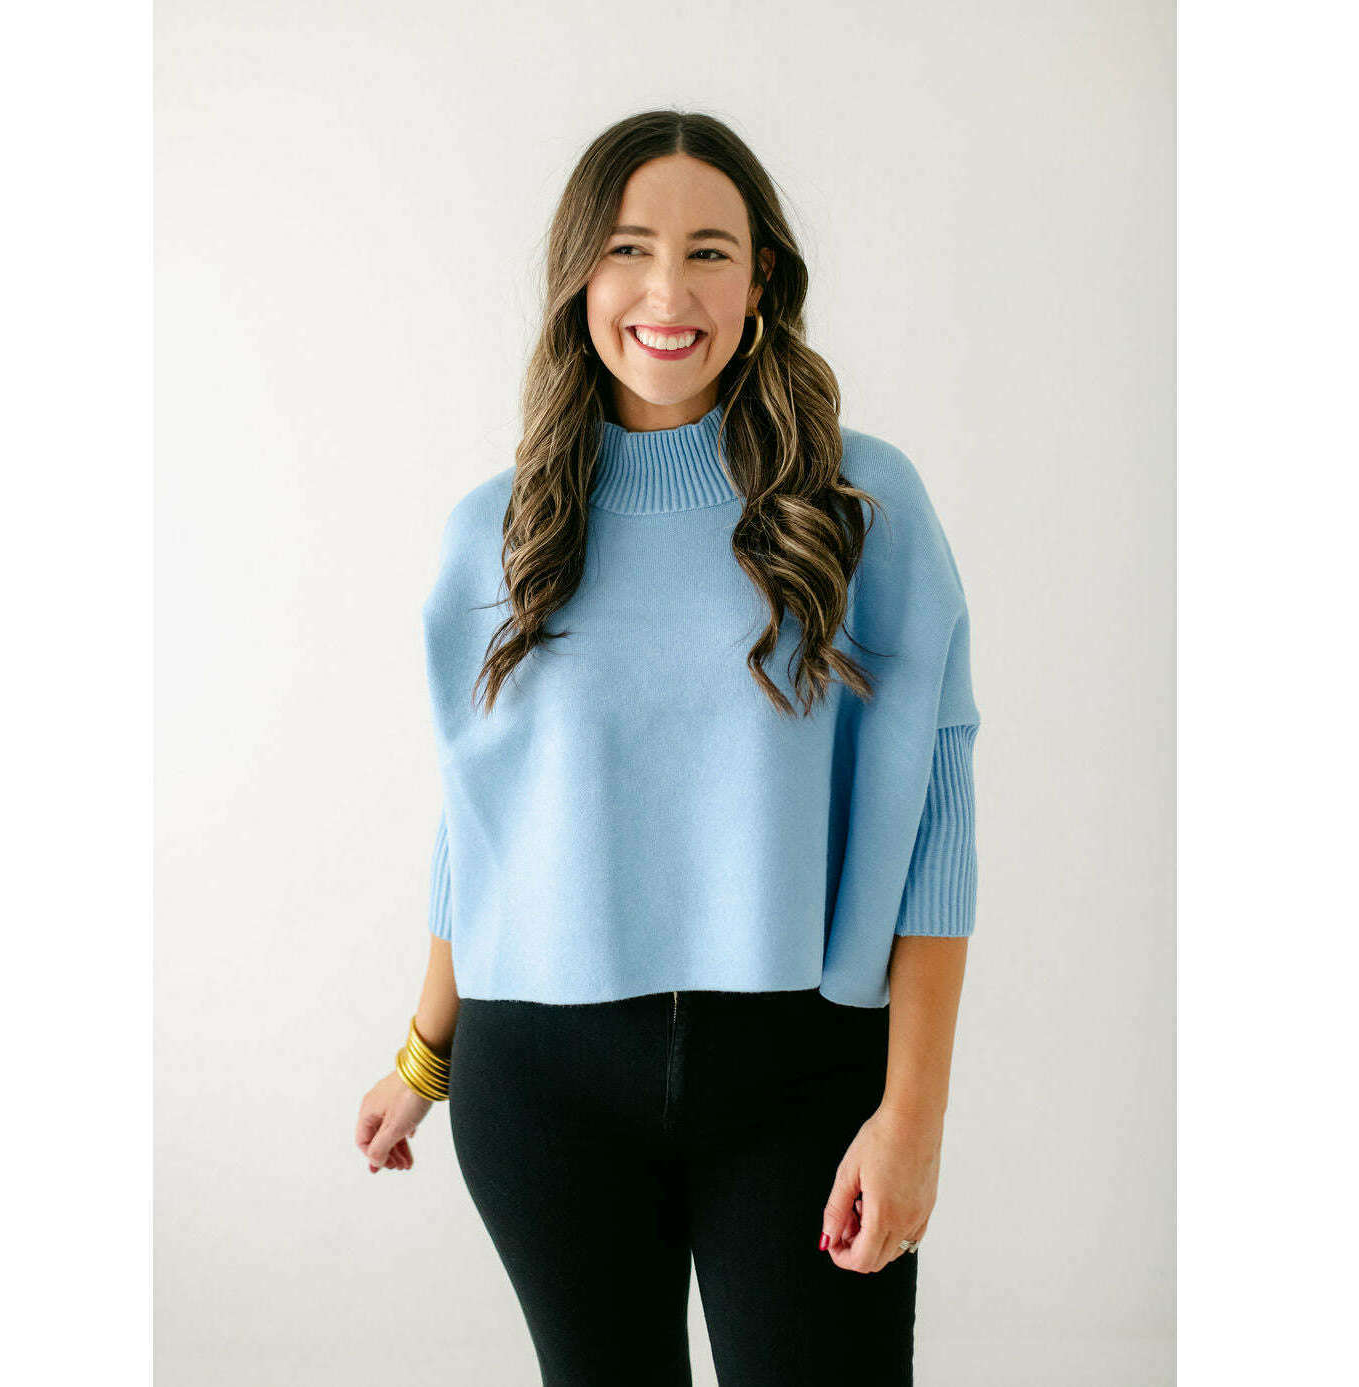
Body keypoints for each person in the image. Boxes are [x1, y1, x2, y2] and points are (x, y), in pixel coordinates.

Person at [354, 109, 981, 1387]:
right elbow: (481, 823)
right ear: (578, 275)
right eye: (629, 248)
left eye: (708, 252)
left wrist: (911, 1116)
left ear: (760, 282)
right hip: (542, 1083)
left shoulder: (859, 505)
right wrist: (423, 1053)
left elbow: (933, 817)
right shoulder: (500, 530)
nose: (666, 291)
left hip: (801, 1077)